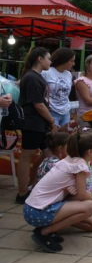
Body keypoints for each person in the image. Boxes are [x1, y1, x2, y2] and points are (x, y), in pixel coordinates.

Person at [23, 131, 92, 253]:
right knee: (90, 206)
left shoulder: (70, 160)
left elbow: (78, 193)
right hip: (37, 211)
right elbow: (82, 194)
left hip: (32, 209)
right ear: (89, 152)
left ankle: (48, 229)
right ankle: (44, 232)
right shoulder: (79, 165)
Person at [17, 47, 57, 204]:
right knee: (27, 156)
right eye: (48, 58)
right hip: (32, 122)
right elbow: (38, 104)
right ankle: (22, 193)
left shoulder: (35, 77)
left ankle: (34, 186)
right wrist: (52, 121)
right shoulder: (32, 77)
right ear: (39, 59)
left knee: (47, 154)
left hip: (40, 123)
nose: (50, 61)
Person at [42, 48, 75, 128]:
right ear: (63, 60)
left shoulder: (68, 74)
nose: (73, 64)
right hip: (52, 111)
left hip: (65, 111)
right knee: (53, 137)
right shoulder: (46, 72)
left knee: (65, 137)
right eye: (71, 61)